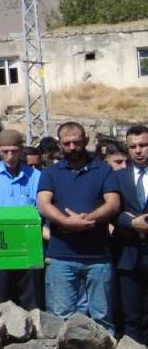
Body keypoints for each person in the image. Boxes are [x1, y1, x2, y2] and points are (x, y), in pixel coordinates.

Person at [38, 122, 119, 332]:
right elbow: (43, 204)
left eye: (77, 141)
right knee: (60, 316)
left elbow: (113, 203)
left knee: (102, 317)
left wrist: (86, 221)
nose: (72, 147)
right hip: (61, 256)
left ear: (85, 140)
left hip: (98, 256)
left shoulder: (103, 170)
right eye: (67, 143)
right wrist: (66, 222)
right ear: (59, 144)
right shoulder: (51, 172)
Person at [0, 129, 43, 310]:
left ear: (21, 150)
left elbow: (39, 207)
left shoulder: (35, 176)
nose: (9, 156)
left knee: (31, 299)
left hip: (27, 242)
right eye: (5, 151)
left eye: (14, 151)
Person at [115, 125, 148, 342]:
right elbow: (110, 211)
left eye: (144, 145)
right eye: (133, 146)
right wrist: (130, 221)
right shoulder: (118, 178)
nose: (138, 150)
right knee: (132, 315)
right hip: (128, 255)